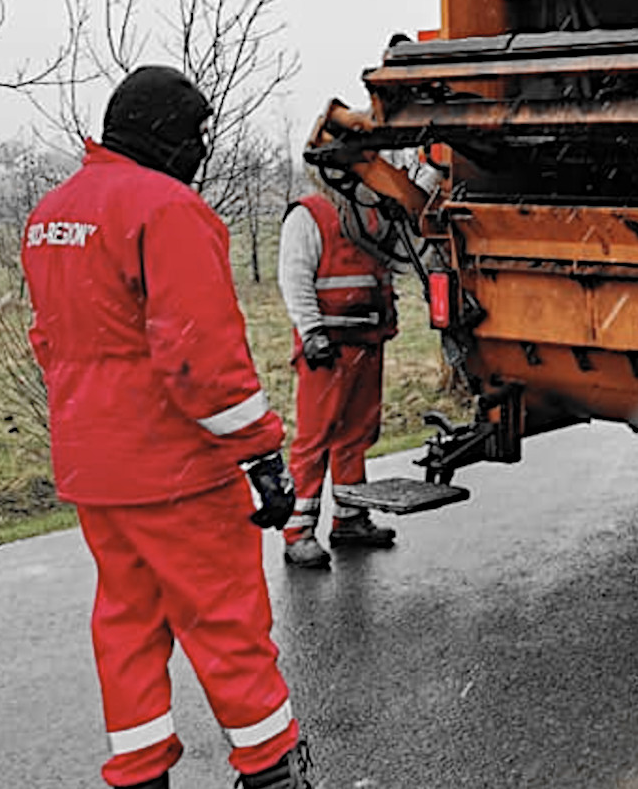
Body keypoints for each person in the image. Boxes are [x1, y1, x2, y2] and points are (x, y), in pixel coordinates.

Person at [22, 66, 311, 789]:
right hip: (175, 468)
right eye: (198, 133)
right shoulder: (166, 209)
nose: (202, 149)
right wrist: (262, 453)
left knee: (126, 623)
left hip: (95, 465)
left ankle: (140, 771)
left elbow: (49, 341)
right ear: (166, 132)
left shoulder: (53, 212)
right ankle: (272, 769)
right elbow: (199, 360)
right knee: (226, 622)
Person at [275, 169, 410, 568]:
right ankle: (298, 531)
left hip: (365, 341)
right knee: (316, 439)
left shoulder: (372, 215)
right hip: (328, 345)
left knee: (356, 434)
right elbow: (294, 277)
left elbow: (399, 259)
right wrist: (312, 331)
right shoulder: (309, 215)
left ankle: (349, 517)